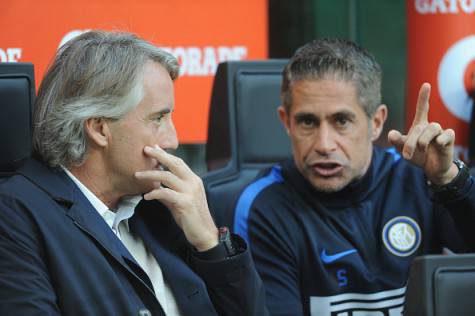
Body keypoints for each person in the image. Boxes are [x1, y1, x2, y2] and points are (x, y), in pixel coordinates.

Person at [0, 30, 267, 316]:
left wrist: (211, 243)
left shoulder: (164, 206)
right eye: (158, 119)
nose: (172, 141)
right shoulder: (15, 215)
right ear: (99, 128)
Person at [232, 38, 475, 316]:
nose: (324, 144)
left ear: (377, 123)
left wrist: (450, 181)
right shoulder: (263, 206)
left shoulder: (419, 179)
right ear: (286, 121)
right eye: (308, 122)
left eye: (341, 121)